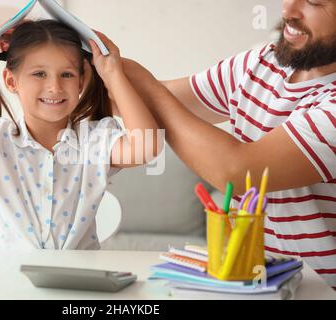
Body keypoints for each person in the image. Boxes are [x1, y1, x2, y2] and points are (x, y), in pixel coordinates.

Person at [121, 0, 335, 289]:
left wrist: (146, 87)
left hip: (316, 291)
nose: (288, 11)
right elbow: (168, 99)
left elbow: (238, 171)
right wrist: (81, 74)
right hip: (247, 283)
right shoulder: (263, 61)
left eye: (314, 2)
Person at [0, 20, 161, 250]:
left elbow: (147, 147)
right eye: (39, 74)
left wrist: (112, 74)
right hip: (9, 282)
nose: (55, 86)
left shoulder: (95, 140)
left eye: (67, 74)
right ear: (11, 81)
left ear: (81, 81)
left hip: (79, 281)